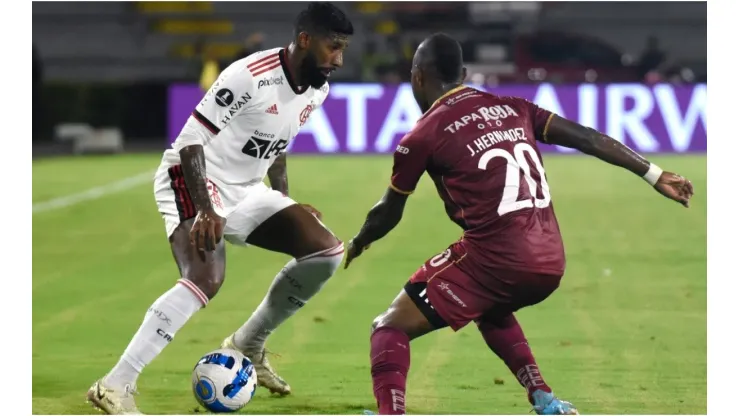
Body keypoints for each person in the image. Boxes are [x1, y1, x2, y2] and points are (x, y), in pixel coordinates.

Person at [344, 33, 693, 416]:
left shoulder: (422, 135)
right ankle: (544, 398)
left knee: (389, 327)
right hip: (550, 260)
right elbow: (589, 139)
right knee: (488, 305)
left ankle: (390, 413)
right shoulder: (514, 107)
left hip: (498, 260)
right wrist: (654, 174)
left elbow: (389, 211)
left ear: (417, 77)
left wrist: (360, 240)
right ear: (462, 73)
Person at [86, 3, 353, 414]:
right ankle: (115, 384)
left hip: (245, 188)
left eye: (342, 49)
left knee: (327, 252)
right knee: (206, 278)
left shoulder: (317, 89)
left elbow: (277, 147)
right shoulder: (249, 75)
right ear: (305, 40)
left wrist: (283, 197)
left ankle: (249, 343)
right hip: (193, 176)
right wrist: (207, 208)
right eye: (333, 47)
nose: (338, 59)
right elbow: (190, 141)